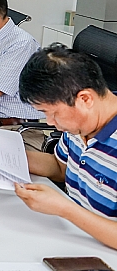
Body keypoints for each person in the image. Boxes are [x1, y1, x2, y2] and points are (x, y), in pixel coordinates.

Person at [15, 44, 117, 249]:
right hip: (73, 238)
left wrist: (65, 209)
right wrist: (8, 157)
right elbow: (60, 167)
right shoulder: (80, 125)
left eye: (52, 113)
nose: (50, 122)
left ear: (85, 98)